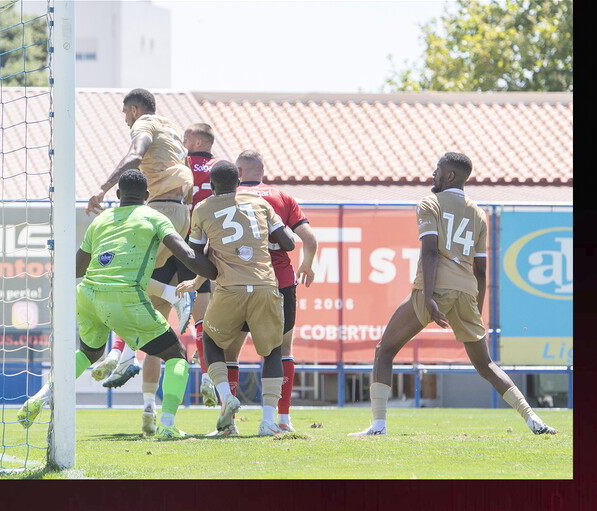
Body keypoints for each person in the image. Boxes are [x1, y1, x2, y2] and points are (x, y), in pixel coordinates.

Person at [348, 152, 557, 436]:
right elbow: (481, 270)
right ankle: (533, 418)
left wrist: (431, 297)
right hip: (466, 291)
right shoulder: (478, 213)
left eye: (437, 169)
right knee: (486, 365)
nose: (433, 173)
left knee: (384, 350)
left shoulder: (429, 203)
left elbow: (431, 250)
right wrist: (477, 308)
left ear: (449, 176)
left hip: (435, 289)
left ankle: (378, 425)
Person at [17, 169, 217, 438]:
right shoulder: (154, 217)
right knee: (176, 355)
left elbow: (77, 267)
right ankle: (167, 425)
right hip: (125, 296)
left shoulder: (101, 221)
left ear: (119, 194)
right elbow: (187, 255)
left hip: (87, 295)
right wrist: (216, 271)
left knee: (89, 353)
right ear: (147, 196)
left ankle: (39, 398)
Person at [180, 150, 318, 434]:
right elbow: (292, 243)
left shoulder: (204, 208)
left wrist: (209, 272)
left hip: (230, 287)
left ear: (213, 183)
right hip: (270, 284)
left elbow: (196, 256)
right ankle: (272, 421)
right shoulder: (266, 202)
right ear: (239, 177)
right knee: (274, 351)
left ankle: (228, 407)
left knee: (215, 343)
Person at [85, 89, 195, 432]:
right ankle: (148, 401)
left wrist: (102, 188)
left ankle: (125, 354)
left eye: (125, 115)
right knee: (151, 310)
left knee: (121, 278)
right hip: (179, 211)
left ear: (133, 109)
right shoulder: (173, 130)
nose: (126, 121)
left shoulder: (145, 124)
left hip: (156, 208)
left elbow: (135, 155)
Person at [94, 123, 220, 411]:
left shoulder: (178, 164)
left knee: (151, 318)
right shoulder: (211, 169)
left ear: (198, 139)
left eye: (187, 137)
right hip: (194, 240)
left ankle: (134, 379)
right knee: (203, 323)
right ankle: (210, 379)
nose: (183, 141)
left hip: (166, 230)